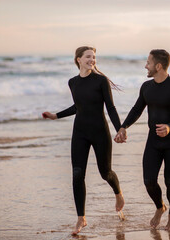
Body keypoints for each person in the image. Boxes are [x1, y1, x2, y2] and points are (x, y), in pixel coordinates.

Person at [42, 46, 124, 235]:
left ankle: (118, 194)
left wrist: (119, 128)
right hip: (80, 132)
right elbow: (78, 107)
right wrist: (56, 116)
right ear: (78, 59)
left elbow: (110, 107)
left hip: (100, 132)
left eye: (94, 57)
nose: (92, 60)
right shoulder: (72, 82)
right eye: (88, 56)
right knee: (77, 174)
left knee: (106, 173)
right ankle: (81, 218)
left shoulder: (101, 81)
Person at [114, 49, 170, 230]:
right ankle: (160, 207)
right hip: (153, 141)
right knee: (149, 181)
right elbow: (137, 109)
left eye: (148, 62)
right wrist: (123, 127)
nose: (145, 66)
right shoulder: (146, 87)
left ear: (158, 66)